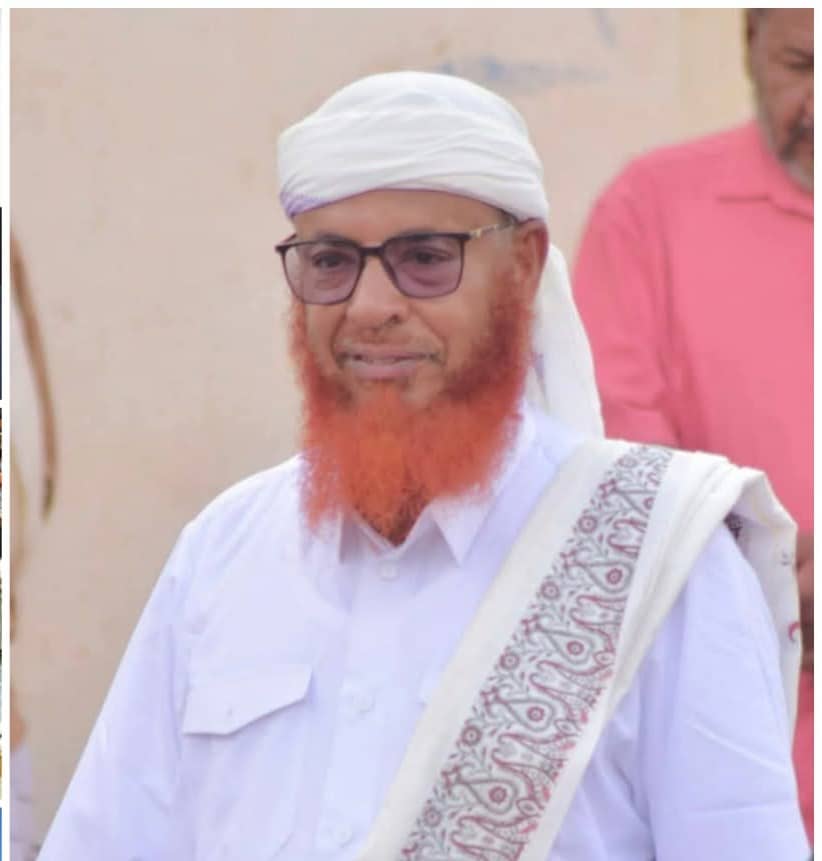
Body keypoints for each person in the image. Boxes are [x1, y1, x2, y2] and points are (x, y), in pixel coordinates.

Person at [38, 71, 808, 860]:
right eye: (331, 261)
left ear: (522, 266)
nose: (371, 306)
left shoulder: (656, 559)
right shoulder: (222, 552)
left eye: (426, 258)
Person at [573, 7, 813, 840]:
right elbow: (614, 458)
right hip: (728, 741)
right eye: (800, 65)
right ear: (749, 48)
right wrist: (764, 574)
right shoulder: (652, 209)